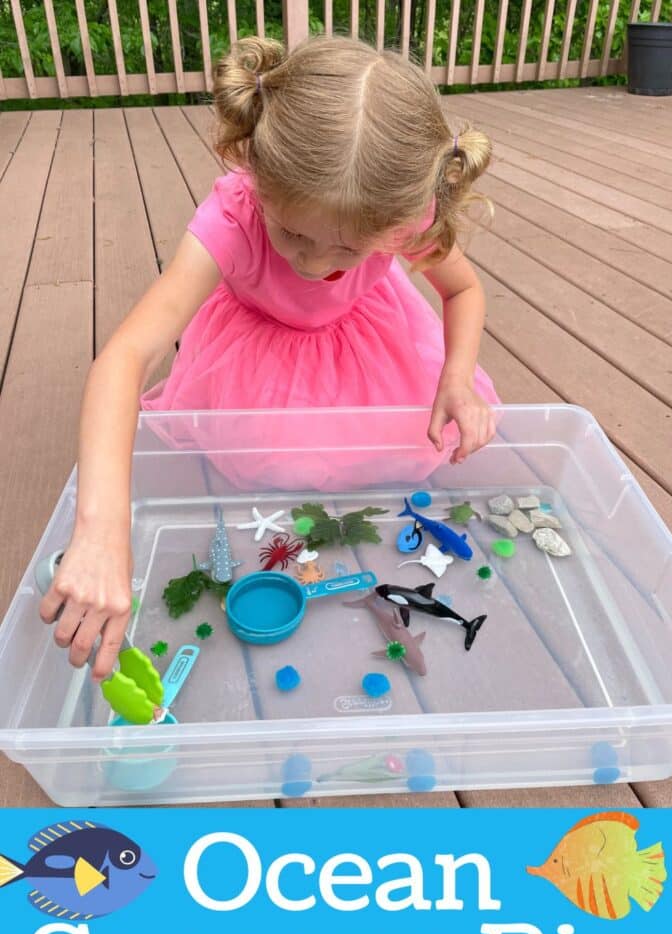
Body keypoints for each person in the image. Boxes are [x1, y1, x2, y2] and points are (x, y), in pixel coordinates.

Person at [39, 35, 499, 683]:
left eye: (346, 249)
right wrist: (101, 531)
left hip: (368, 342)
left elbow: (463, 288)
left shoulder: (406, 213)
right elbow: (125, 356)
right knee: (261, 451)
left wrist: (456, 376)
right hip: (257, 351)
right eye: (292, 233)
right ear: (251, 168)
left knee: (391, 440)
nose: (312, 263)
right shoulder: (231, 217)